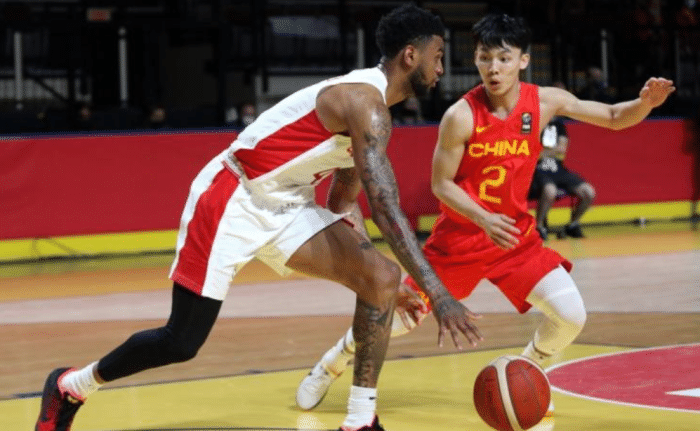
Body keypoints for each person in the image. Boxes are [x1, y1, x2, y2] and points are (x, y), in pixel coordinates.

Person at [35, 5, 482, 431]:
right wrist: (438, 294)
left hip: (287, 204)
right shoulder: (363, 103)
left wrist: (371, 277)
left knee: (381, 278)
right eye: (438, 56)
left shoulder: (374, 112)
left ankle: (360, 419)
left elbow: (343, 201)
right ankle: (72, 386)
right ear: (411, 55)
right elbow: (385, 207)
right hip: (234, 197)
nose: (442, 68)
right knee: (181, 342)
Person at [296, 13, 674, 419]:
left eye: (503, 59)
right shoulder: (460, 115)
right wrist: (483, 218)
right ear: (475, 59)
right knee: (398, 319)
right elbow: (442, 185)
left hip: (514, 240)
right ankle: (333, 361)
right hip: (459, 242)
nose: (493, 68)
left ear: (523, 61)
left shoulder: (545, 101)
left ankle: (529, 370)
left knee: (571, 316)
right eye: (484, 58)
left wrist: (645, 104)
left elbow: (614, 117)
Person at [528, 101, 596, 239]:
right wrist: (545, 152)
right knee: (550, 191)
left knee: (588, 192)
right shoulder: (531, 125)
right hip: (536, 170)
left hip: (558, 169)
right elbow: (528, 152)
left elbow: (561, 149)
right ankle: (539, 228)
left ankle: (572, 225)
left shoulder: (558, 125)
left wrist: (540, 151)